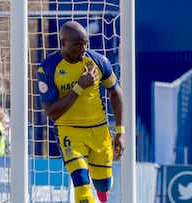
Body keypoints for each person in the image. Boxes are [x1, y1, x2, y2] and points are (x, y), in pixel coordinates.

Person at [37, 21, 125, 203]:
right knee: (81, 182)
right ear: (63, 43)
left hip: (99, 131)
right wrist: (79, 87)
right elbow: (52, 113)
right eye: (78, 45)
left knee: (103, 185)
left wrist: (120, 133)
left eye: (85, 44)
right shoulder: (48, 68)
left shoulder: (98, 62)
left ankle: (103, 190)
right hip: (69, 132)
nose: (83, 49)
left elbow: (116, 93)